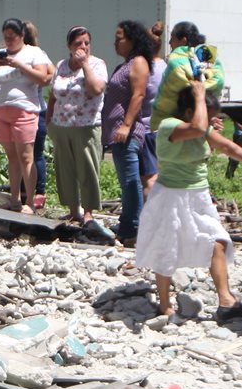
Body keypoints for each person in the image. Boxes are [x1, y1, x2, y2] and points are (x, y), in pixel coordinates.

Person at [136, 80, 242, 321]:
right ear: (190, 111)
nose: (212, 122)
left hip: (198, 195)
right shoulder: (171, 126)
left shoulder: (201, 127)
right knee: (166, 248)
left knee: (218, 241)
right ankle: (164, 305)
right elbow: (200, 126)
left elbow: (226, 146)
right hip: (171, 196)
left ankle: (226, 301)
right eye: (208, 115)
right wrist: (200, 95)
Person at [0, 18, 53, 213]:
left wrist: (19, 65)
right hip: (1, 108)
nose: (9, 42)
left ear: (22, 36)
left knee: (26, 156)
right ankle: (14, 199)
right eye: (6, 38)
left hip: (25, 108)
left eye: (12, 38)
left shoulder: (33, 53)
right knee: (11, 157)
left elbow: (43, 78)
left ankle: (29, 201)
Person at [46, 25, 110, 239]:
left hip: (86, 125)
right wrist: (49, 120)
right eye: (78, 43)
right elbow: (54, 94)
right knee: (65, 169)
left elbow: (96, 89)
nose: (83, 47)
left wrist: (84, 65)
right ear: (69, 46)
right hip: (61, 126)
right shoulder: (62, 65)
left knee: (87, 169)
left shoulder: (97, 64)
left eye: (86, 43)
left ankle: (89, 212)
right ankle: (73, 209)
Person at [102, 20, 155, 245]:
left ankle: (133, 230)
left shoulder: (139, 63)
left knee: (131, 182)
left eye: (119, 38)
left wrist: (125, 125)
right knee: (127, 181)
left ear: (132, 40)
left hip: (128, 133)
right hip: (117, 133)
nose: (115, 42)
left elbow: (138, 95)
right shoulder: (125, 64)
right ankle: (128, 226)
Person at [139, 20, 169, 196]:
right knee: (162, 176)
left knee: (149, 178)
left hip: (146, 127)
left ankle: (149, 218)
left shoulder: (146, 69)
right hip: (164, 128)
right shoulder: (166, 67)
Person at [22, 20, 48, 210]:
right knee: (29, 154)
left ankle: (37, 192)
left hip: (35, 108)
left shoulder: (36, 55)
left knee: (34, 153)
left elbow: (49, 76)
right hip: (28, 108)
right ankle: (30, 192)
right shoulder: (39, 53)